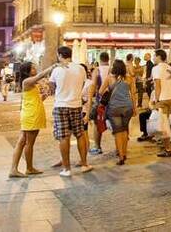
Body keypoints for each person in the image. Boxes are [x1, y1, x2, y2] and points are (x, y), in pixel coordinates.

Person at [49, 46, 92, 177]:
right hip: (76, 105)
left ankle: (67, 169)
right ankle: (84, 164)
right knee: (80, 134)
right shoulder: (80, 68)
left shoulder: (56, 70)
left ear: (60, 55)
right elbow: (84, 84)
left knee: (64, 136)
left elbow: (52, 87)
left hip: (60, 105)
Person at [9, 61, 56, 178]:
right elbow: (40, 76)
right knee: (29, 143)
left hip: (31, 113)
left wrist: (43, 97)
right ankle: (29, 168)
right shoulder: (27, 81)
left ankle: (14, 169)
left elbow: (32, 99)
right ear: (27, 71)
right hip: (31, 115)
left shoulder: (29, 83)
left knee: (22, 142)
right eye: (33, 68)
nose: (35, 69)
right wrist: (52, 66)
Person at [100, 59, 136, 166]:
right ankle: (124, 153)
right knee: (125, 130)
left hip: (114, 108)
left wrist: (109, 92)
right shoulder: (129, 79)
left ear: (114, 68)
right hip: (127, 107)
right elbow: (133, 94)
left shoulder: (109, 78)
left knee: (118, 132)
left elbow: (100, 91)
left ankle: (121, 157)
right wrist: (135, 108)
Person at [152, 49, 171, 157]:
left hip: (162, 99)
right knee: (164, 123)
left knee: (163, 125)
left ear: (158, 57)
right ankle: (164, 146)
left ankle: (167, 149)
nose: (153, 58)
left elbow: (157, 85)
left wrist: (156, 99)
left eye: (154, 56)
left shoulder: (156, 68)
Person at [86, 52, 110, 155]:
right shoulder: (112, 69)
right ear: (108, 59)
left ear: (100, 59)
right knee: (117, 124)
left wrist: (90, 100)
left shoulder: (97, 70)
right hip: (112, 100)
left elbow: (93, 85)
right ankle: (120, 148)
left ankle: (97, 147)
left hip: (101, 101)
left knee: (97, 123)